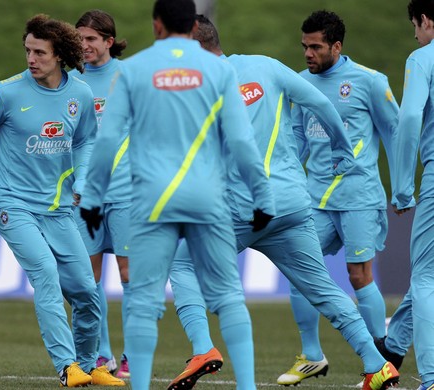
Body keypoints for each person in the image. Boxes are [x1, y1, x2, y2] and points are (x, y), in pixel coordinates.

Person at [167, 14, 400, 390]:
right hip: (292, 204)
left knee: (181, 264)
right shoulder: (266, 66)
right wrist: (342, 147)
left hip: (240, 211)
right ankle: (378, 365)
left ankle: (202, 349)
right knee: (323, 287)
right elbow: (322, 104)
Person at [79, 1, 277, 389]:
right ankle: (249, 387)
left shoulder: (133, 70)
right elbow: (241, 141)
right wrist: (263, 198)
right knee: (227, 296)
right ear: (192, 25)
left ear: (156, 25)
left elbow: (104, 143)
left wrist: (91, 199)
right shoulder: (220, 69)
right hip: (208, 198)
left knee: (143, 301)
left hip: (154, 200)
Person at [0, 14, 124, 388]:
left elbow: (85, 141)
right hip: (11, 203)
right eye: (28, 51)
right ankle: (67, 367)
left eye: (40, 53)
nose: (31, 59)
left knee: (85, 288)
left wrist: (81, 179)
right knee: (46, 275)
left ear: (60, 54)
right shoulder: (5, 92)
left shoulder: (79, 94)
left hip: (58, 208)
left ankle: (89, 365)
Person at [283, 9, 400, 385]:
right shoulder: (300, 83)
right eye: (305, 47)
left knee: (358, 275)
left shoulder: (369, 81)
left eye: (316, 47)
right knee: (300, 271)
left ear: (336, 46)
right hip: (314, 199)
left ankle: (383, 359)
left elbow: (395, 134)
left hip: (359, 196)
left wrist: (401, 188)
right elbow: (298, 137)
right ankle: (311, 356)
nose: (308, 54)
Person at [70, 9, 131, 378]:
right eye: (79, 38)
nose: (84, 45)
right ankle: (100, 356)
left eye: (92, 38)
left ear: (109, 41)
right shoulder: (69, 82)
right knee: (88, 278)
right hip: (84, 195)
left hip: (126, 191)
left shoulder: (128, 78)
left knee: (129, 275)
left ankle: (131, 355)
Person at [386, 1, 434, 389]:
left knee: (425, 277)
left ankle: (432, 378)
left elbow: (410, 117)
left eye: (414, 25)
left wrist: (402, 188)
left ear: (426, 20)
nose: (414, 33)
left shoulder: (422, 58)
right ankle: (392, 350)